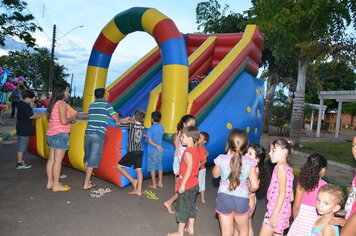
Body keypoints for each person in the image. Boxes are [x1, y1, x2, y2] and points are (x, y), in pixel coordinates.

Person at [213, 128, 259, 236]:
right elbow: (255, 186)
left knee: (226, 233)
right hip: (241, 199)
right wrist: (249, 190)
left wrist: (227, 155)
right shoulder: (250, 162)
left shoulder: (221, 158)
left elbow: (215, 174)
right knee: (243, 231)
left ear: (228, 143)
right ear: (246, 145)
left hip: (224, 197)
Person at [83, 88, 119, 190]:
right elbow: (116, 118)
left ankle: (88, 180)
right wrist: (116, 118)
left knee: (87, 157)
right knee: (92, 159)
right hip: (98, 133)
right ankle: (86, 183)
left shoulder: (92, 105)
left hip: (88, 132)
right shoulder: (107, 105)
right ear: (104, 95)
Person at [167, 126, 200, 236]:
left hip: (187, 185)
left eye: (183, 137)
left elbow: (189, 168)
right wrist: (181, 172)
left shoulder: (187, 152)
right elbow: (195, 166)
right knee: (191, 206)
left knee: (182, 208)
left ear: (190, 138)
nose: (180, 139)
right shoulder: (195, 150)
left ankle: (180, 232)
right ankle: (191, 228)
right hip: (194, 183)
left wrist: (183, 184)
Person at [260, 138, 294, 236]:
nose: (270, 153)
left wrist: (274, 214)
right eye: (270, 150)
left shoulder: (280, 167)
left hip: (275, 210)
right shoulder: (288, 168)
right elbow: (291, 197)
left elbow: (282, 192)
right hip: (284, 210)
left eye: (273, 150)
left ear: (284, 151)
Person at [288, 153, 328, 236]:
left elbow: (296, 206)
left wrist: (296, 219)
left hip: (300, 217)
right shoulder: (324, 186)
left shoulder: (302, 183)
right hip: (315, 219)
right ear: (323, 170)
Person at [164, 114, 196, 214]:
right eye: (191, 124)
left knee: (178, 183)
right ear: (184, 124)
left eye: (194, 125)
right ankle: (170, 202)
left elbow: (177, 148)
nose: (193, 126)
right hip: (183, 162)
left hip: (178, 160)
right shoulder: (185, 135)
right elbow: (182, 149)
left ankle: (176, 203)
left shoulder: (177, 134)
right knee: (185, 185)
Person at [46, 85, 75, 192]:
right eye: (67, 91)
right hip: (60, 134)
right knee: (58, 161)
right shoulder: (62, 104)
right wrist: (71, 118)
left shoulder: (54, 104)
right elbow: (63, 121)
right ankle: (56, 184)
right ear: (62, 92)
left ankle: (50, 182)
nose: (68, 93)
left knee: (51, 160)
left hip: (51, 134)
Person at [241, 144, 270, 236]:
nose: (245, 155)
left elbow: (253, 186)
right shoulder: (253, 168)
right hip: (251, 200)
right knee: (247, 225)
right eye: (246, 152)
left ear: (257, 160)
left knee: (242, 227)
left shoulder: (253, 169)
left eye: (250, 154)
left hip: (248, 200)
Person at [116, 109, 145, 196]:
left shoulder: (131, 125)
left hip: (133, 151)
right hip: (140, 150)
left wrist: (125, 119)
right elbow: (138, 122)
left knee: (119, 166)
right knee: (139, 171)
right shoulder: (143, 126)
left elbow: (118, 123)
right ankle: (139, 190)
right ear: (143, 119)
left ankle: (133, 180)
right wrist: (133, 119)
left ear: (133, 117)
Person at [16, 89, 45, 169]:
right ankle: (19, 164)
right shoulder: (25, 105)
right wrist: (40, 114)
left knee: (21, 145)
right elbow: (31, 116)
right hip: (24, 128)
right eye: (31, 98)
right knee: (22, 146)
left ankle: (20, 161)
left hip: (21, 127)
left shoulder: (20, 103)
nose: (32, 100)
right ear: (28, 98)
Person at [146, 111, 164, 189]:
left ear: (152, 118)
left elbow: (149, 141)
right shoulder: (162, 127)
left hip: (152, 150)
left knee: (152, 168)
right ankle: (160, 182)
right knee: (160, 166)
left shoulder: (150, 128)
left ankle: (153, 184)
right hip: (159, 150)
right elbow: (159, 135)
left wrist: (147, 138)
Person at [197, 131, 209, 203]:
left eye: (200, 138)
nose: (198, 138)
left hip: (200, 169)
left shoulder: (200, 148)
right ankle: (202, 198)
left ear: (204, 141)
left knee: (199, 183)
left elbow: (204, 161)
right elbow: (206, 152)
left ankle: (202, 198)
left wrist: (197, 167)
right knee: (200, 183)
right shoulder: (198, 146)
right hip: (200, 169)